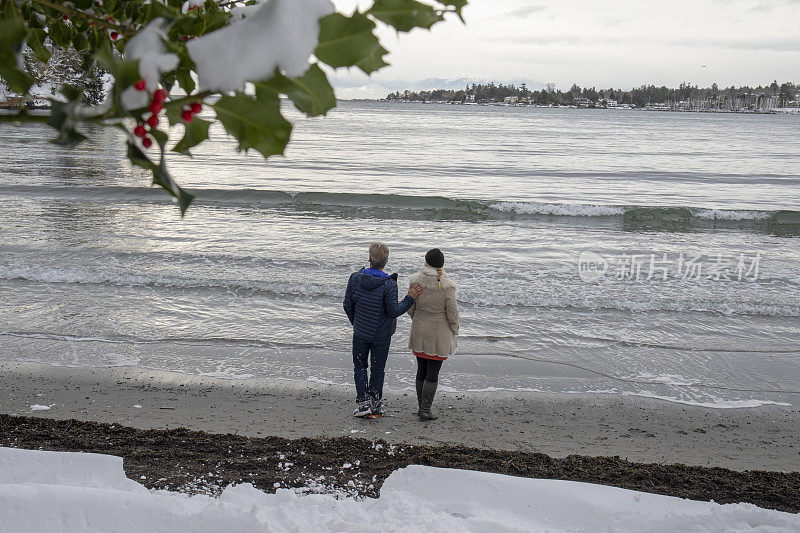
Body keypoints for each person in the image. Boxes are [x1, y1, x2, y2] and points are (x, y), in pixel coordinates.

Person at [343, 242, 422, 418]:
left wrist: (356, 322)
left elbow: (347, 304)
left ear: (369, 259)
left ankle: (364, 404)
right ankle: (375, 403)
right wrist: (410, 298)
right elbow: (394, 311)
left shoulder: (355, 278)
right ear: (385, 262)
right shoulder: (388, 284)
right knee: (377, 369)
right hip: (381, 335)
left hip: (361, 332)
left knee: (360, 367)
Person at [407, 248, 459, 421]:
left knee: (421, 369)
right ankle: (425, 410)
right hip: (439, 334)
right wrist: (455, 329)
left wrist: (419, 319)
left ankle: (421, 408)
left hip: (419, 331)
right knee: (433, 372)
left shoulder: (415, 281)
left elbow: (410, 308)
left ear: (426, 262)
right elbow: (452, 314)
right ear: (442, 265)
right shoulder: (447, 286)